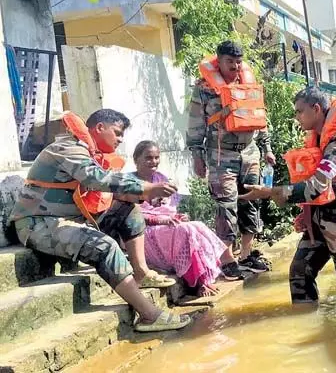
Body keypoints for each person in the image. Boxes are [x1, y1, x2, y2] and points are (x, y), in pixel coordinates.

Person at [11, 109, 191, 332]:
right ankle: (149, 315)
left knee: (128, 210)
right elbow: (96, 179)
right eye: (117, 133)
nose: (120, 139)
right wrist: (146, 187)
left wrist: (141, 195)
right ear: (99, 128)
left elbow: (107, 192)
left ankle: (141, 273)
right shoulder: (68, 148)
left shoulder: (89, 153)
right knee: (105, 246)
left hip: (70, 218)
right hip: (38, 224)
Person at [239, 87, 336, 304]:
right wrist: (306, 213)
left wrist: (268, 192)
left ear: (316, 109)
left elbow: (315, 187)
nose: (296, 116)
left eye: (299, 111)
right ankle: (308, 320)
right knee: (299, 273)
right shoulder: (318, 138)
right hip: (321, 220)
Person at [186, 40, 272, 280]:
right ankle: (227, 258)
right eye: (229, 62)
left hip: (250, 151)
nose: (235, 67)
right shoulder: (204, 89)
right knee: (226, 205)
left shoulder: (248, 83)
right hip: (220, 154)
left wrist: (267, 148)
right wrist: (197, 155)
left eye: (238, 62)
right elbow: (195, 123)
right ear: (219, 61)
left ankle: (246, 255)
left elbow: (259, 117)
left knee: (250, 202)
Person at [132, 141, 230, 297]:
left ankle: (206, 277)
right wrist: (161, 220)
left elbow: (169, 209)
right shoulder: (129, 182)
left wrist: (177, 217)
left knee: (195, 225)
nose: (154, 162)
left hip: (165, 225)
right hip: (142, 232)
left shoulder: (161, 179)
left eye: (157, 157)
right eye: (148, 158)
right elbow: (132, 215)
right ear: (136, 159)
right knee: (186, 230)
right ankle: (198, 282)